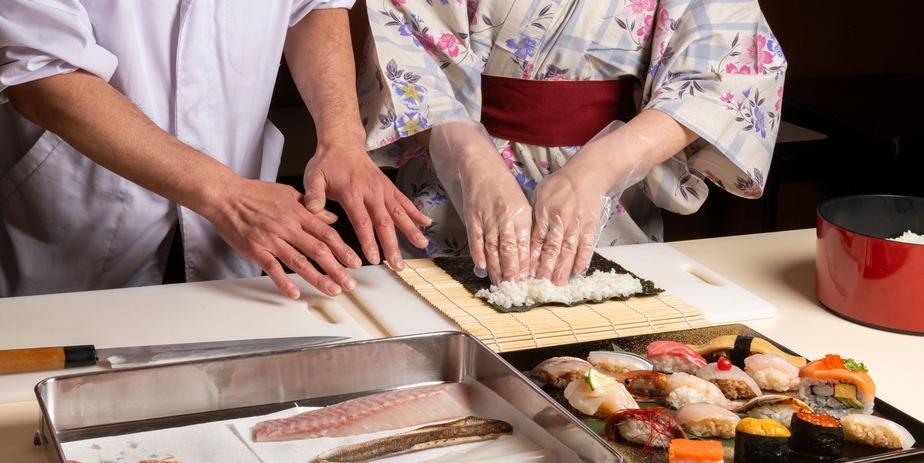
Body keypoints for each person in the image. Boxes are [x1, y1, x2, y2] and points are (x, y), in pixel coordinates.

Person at [0, 0, 431, 298]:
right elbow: (41, 77)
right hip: (79, 210)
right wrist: (223, 192)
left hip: (238, 218)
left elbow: (312, 6)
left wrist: (342, 137)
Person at [356, 0, 787, 286]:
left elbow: (727, 71)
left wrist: (597, 172)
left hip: (613, 184)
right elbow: (401, 44)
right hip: (452, 176)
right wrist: (471, 164)